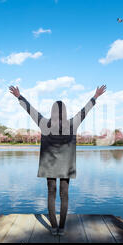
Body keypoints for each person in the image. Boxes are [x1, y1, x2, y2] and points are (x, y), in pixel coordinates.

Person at [9, 85, 106, 236]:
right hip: (66, 166)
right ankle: (61, 228)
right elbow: (84, 111)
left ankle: (53, 227)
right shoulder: (72, 124)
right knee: (64, 195)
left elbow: (31, 111)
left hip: (49, 165)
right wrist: (95, 96)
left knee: (51, 194)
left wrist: (19, 97)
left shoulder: (44, 123)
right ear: (65, 111)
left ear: (52, 111)